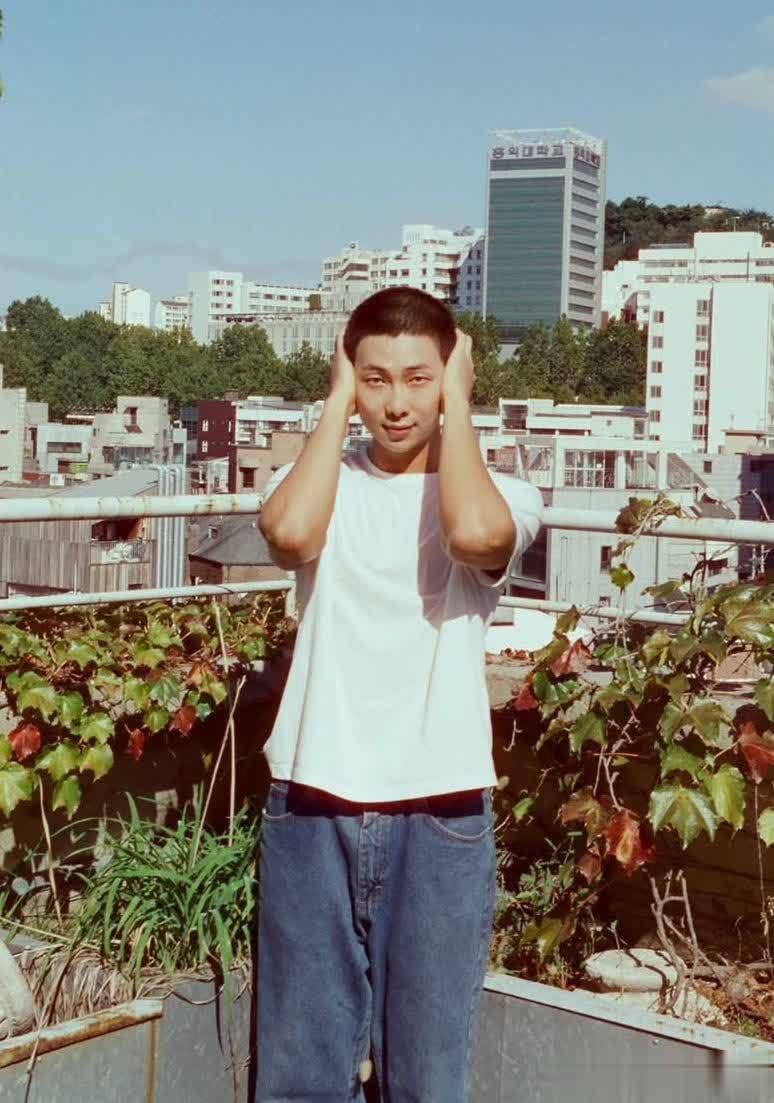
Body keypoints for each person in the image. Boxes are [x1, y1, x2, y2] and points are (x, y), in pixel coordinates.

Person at [255, 287, 543, 1102]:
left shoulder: (500, 494)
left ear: (449, 375)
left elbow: (474, 536)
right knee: (299, 1074)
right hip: (312, 799)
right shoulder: (318, 480)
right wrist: (335, 401)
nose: (395, 403)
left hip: (440, 809)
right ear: (350, 377)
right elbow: (289, 534)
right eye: (374, 378)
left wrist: (460, 405)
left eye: (418, 378)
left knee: (426, 1077)